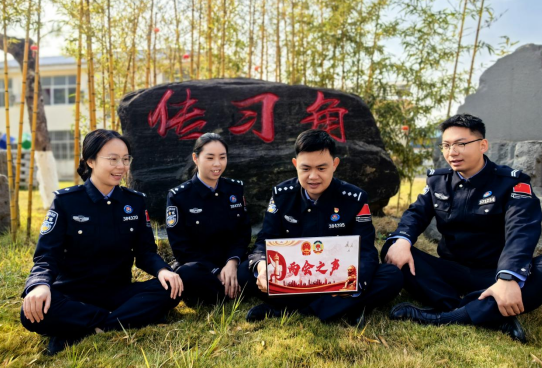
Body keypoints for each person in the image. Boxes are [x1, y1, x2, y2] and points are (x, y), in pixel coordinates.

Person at [381, 114, 542, 343]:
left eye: (461, 144)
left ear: (482, 145)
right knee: (393, 247)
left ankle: (448, 315)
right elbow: (415, 214)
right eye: (446, 145)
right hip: (450, 271)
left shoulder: (511, 183)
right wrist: (403, 241)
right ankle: (485, 311)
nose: (452, 152)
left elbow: (521, 232)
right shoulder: (438, 181)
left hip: (494, 273)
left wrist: (507, 278)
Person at [20, 129, 183, 355]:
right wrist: (39, 285)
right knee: (31, 312)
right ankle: (118, 320)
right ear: (91, 161)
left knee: (170, 288)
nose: (121, 166)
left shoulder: (134, 202)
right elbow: (47, 256)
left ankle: (83, 326)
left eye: (125, 159)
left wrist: (163, 271)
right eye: (113, 159)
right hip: (73, 294)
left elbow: (145, 252)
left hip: (118, 292)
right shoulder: (66, 202)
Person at [238, 129, 403, 324]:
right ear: (295, 165)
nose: (313, 176)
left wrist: (352, 284)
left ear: (335, 165)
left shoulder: (355, 199)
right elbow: (265, 239)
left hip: (338, 277)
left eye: (322, 168)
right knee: (245, 272)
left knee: (391, 276)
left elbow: (366, 251)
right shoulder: (282, 195)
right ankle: (344, 308)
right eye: (305, 168)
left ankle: (290, 310)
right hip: (296, 275)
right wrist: (262, 265)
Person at [166, 133, 251, 304]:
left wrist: (232, 263)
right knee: (187, 274)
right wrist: (216, 272)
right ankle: (232, 290)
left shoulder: (234, 189)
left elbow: (243, 233)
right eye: (210, 158)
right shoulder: (179, 196)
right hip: (201, 267)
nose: (217, 164)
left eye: (222, 157)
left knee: (252, 269)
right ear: (195, 158)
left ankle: (221, 292)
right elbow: (181, 248)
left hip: (231, 264)